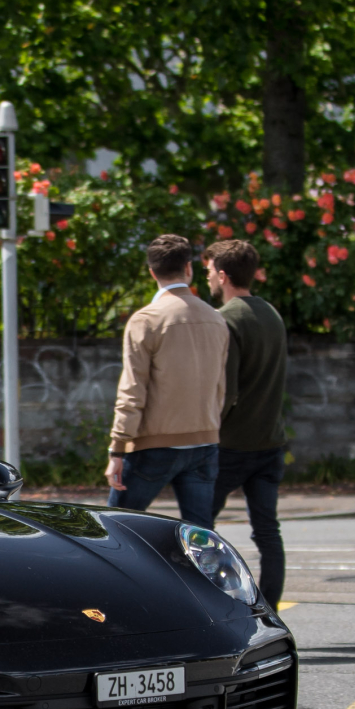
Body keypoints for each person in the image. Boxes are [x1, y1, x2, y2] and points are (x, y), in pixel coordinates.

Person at [106, 234, 228, 522]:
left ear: (152, 272)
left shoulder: (146, 320)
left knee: (115, 529)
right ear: (188, 268)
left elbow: (133, 389)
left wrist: (118, 447)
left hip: (154, 444)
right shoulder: (216, 319)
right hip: (204, 441)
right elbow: (220, 386)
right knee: (200, 539)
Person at [204, 238, 288, 607]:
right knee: (267, 531)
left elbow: (228, 391)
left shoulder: (227, 319)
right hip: (270, 441)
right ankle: (270, 607)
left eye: (209, 270)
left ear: (223, 275)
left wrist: (208, 430)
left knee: (199, 527)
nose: (207, 277)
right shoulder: (271, 313)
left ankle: (207, 603)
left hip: (232, 445)